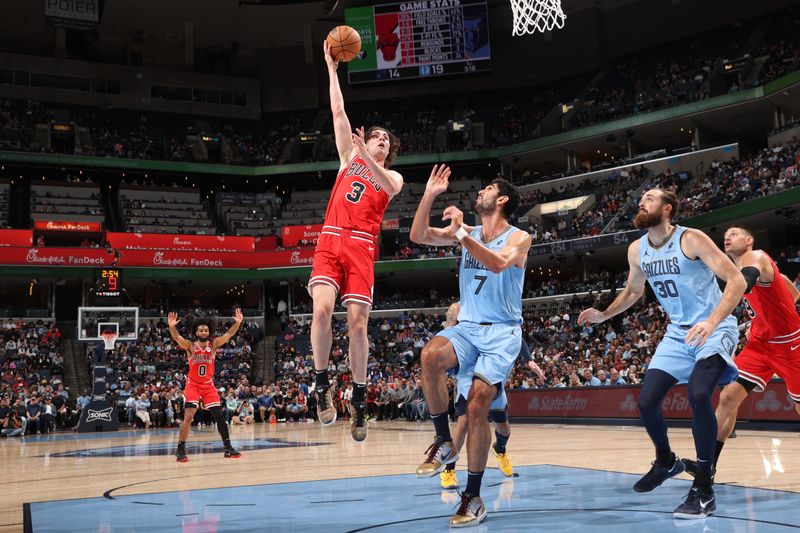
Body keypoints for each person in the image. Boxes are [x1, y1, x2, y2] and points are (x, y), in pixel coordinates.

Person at [578, 188, 746, 519]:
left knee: (699, 393)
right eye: (641, 197)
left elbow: (737, 281)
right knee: (646, 402)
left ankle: (703, 487)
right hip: (677, 335)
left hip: (715, 328)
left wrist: (712, 323)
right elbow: (634, 291)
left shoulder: (692, 239)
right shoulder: (637, 249)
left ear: (667, 208)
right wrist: (603, 314)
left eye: (651, 197)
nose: (642, 201)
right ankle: (666, 460)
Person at [410, 168, 529, 527]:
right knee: (429, 356)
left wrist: (461, 232)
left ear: (502, 199)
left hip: (502, 333)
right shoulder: (470, 233)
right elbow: (418, 235)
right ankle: (444, 441)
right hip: (469, 328)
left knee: (477, 404)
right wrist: (429, 194)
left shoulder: (520, 237)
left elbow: (496, 264)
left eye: (487, 188)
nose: (480, 192)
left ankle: (473, 496)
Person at [307, 39, 404, 442]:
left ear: (389, 149)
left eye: (384, 139)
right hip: (331, 238)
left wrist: (367, 155)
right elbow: (338, 111)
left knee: (359, 327)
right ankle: (322, 382)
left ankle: (360, 401)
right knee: (321, 313)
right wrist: (332, 68)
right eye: (375, 135)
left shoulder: (391, 176)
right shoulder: (349, 157)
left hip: (362, 245)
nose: (379, 139)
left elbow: (388, 186)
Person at [682, 227, 800, 480]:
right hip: (759, 344)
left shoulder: (756, 256)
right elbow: (793, 292)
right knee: (728, 398)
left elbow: (745, 282)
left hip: (790, 343)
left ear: (749, 240)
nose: (727, 237)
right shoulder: (748, 266)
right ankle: (707, 467)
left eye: (734, 234)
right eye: (725, 235)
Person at [437, 303, 541, 490]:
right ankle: (449, 469)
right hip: (468, 374)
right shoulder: (460, 310)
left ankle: (499, 449)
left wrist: (529, 360)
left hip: (491, 371)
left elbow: (514, 333)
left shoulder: (494, 309)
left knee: (504, 428)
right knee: (464, 421)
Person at [169, 309, 244, 462]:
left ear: (209, 331)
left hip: (208, 385)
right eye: (201, 330)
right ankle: (180, 449)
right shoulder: (190, 345)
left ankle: (228, 448)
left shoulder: (214, 344)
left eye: (206, 330)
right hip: (193, 384)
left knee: (219, 417)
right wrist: (171, 326)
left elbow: (228, 334)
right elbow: (177, 337)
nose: (203, 332)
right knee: (189, 416)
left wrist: (237, 323)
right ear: (196, 332)